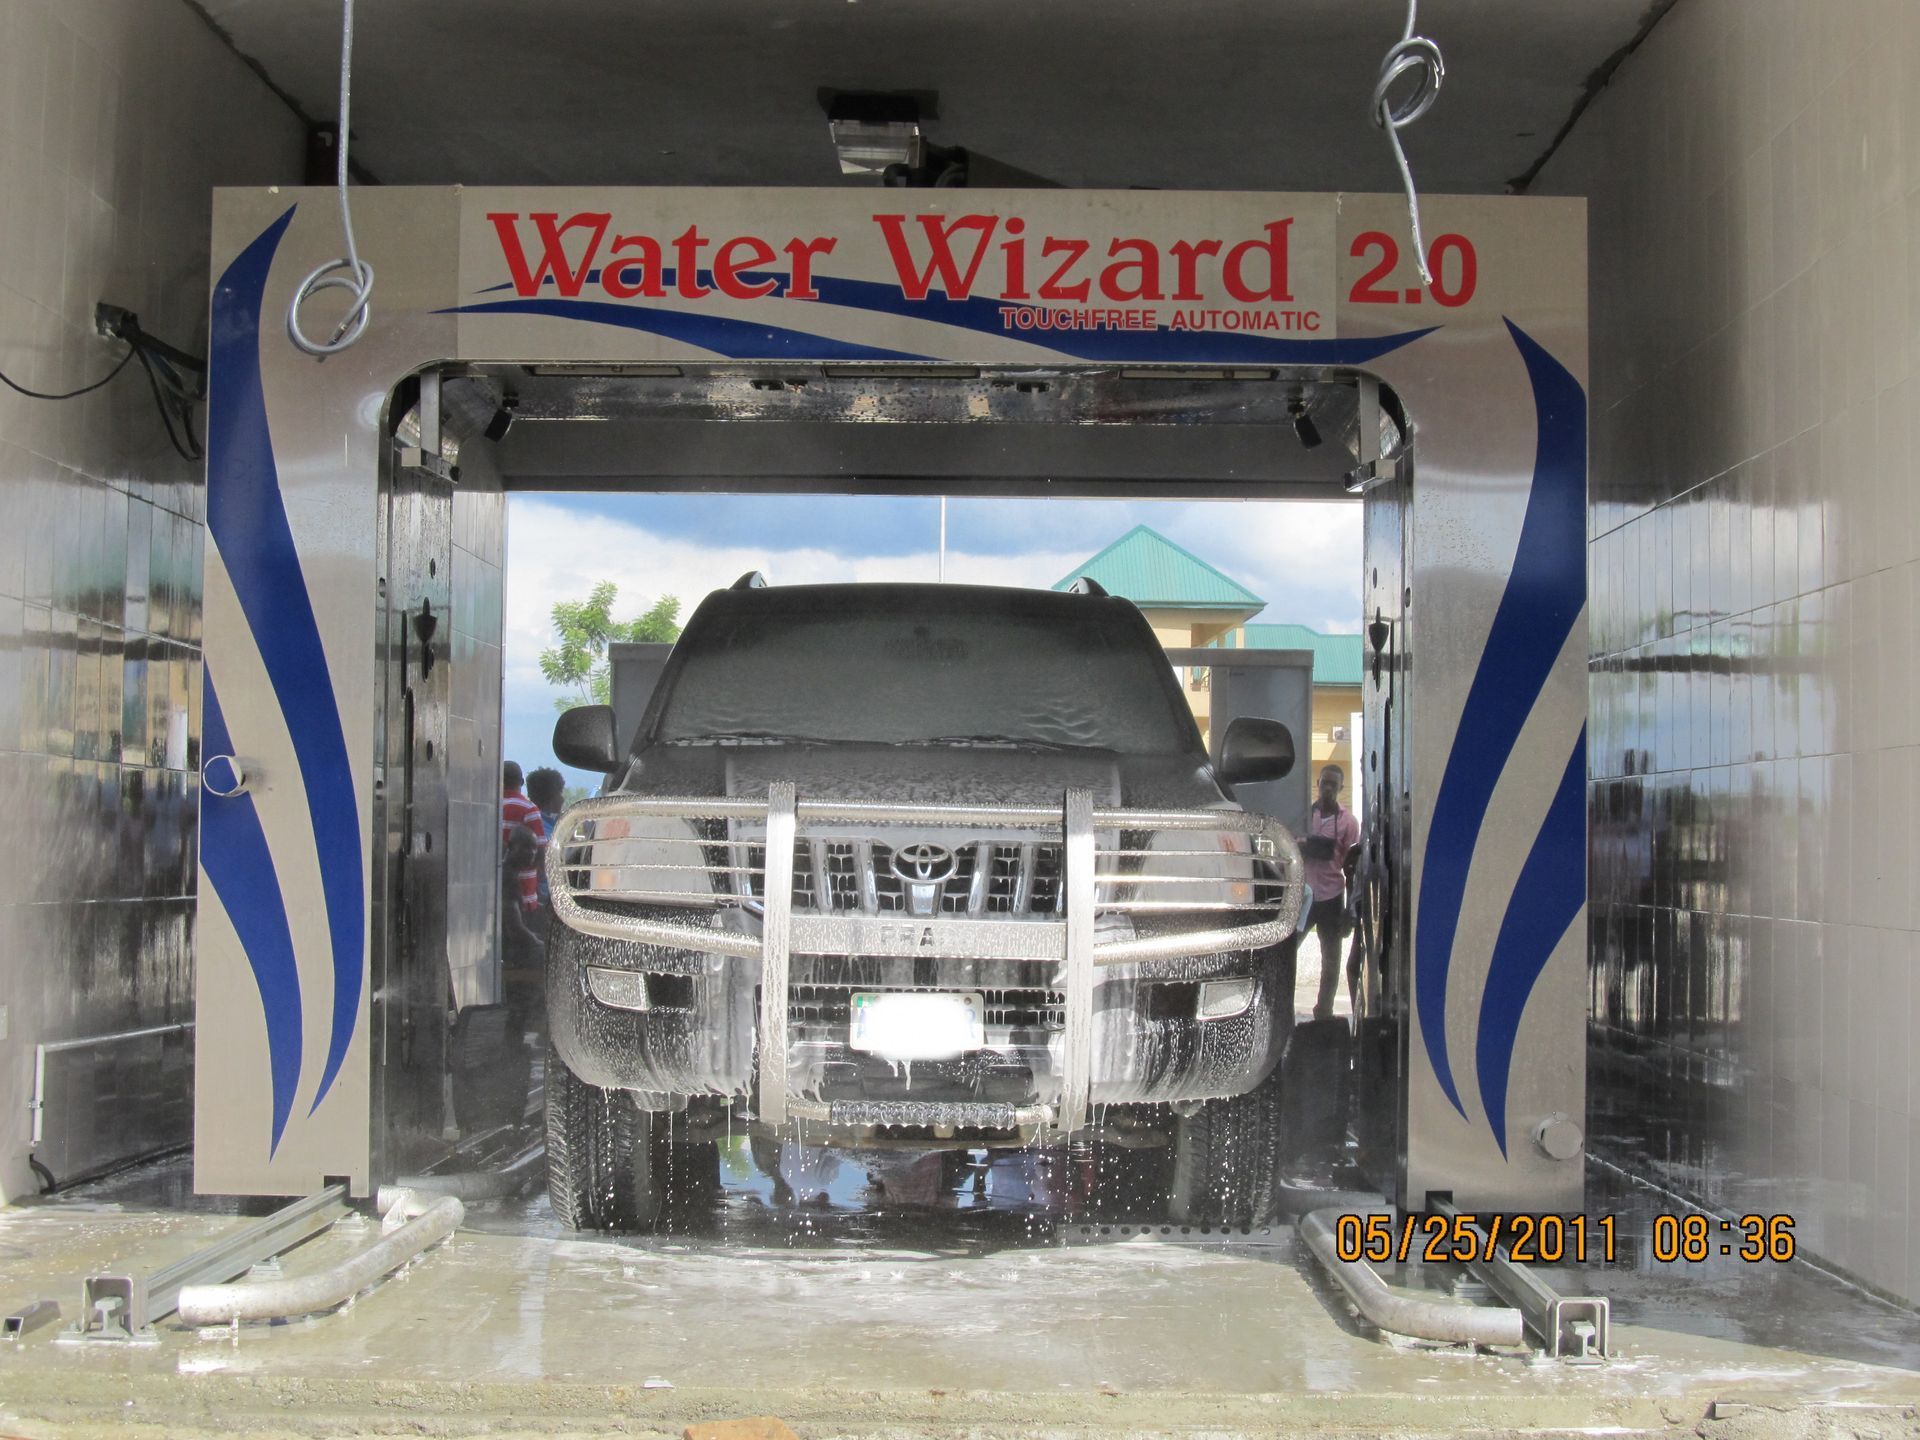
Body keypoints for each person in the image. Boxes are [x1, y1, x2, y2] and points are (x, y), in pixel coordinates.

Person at [1297, 763, 1361, 1022]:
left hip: (1333, 897)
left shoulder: (1348, 822)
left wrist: (1350, 909)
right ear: (1318, 784)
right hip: (1304, 896)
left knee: (1331, 961)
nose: (1328, 788)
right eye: (1324, 782)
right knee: (1288, 951)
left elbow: (1352, 866)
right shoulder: (1303, 815)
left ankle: (1323, 1014)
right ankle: (1279, 1006)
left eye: (1334, 784)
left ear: (1341, 788)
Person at [500, 762, 545, 913]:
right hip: (524, 895)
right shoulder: (529, 809)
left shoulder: (490, 806)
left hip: (496, 894)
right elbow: (540, 854)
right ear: (521, 782)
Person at [526, 767, 566, 909]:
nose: (563, 798)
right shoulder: (544, 830)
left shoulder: (548, 824)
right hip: (545, 898)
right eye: (560, 793)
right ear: (551, 797)